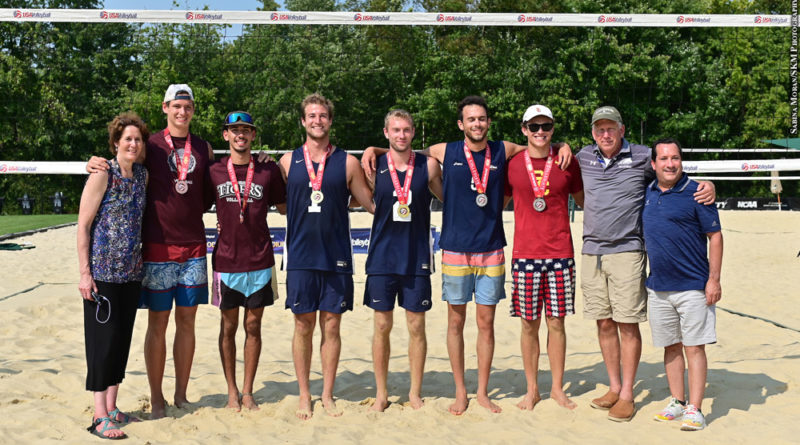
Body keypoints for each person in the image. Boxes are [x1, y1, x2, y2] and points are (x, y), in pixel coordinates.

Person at [362, 95, 572, 415]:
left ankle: (483, 392)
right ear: (462, 124)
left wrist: (565, 145)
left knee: (486, 324)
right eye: (471, 119)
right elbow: (403, 151)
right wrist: (373, 150)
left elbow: (539, 143)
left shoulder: (504, 149)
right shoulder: (444, 151)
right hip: (455, 250)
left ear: (488, 122)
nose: (477, 124)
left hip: (491, 250)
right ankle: (461, 391)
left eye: (482, 119)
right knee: (455, 323)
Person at [576, 106, 714, 422]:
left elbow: (670, 175)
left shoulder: (640, 157)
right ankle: (613, 387)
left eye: (611, 128)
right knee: (604, 322)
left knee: (627, 323)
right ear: (593, 132)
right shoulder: (583, 156)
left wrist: (706, 185)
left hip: (627, 251)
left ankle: (627, 394)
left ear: (622, 130)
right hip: (591, 251)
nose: (605, 134)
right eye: (600, 129)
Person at [87, 84, 215, 418]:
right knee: (158, 323)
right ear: (165, 108)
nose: (182, 112)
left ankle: (181, 395)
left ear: (192, 109)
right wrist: (94, 160)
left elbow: (208, 191)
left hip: (195, 248)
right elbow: (122, 158)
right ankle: (156, 398)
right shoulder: (150, 145)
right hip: (157, 247)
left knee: (188, 322)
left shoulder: (204, 148)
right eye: (176, 106)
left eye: (187, 106)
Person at [278, 93, 375, 420]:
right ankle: (305, 394)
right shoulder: (287, 162)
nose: (317, 120)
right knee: (303, 325)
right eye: (311, 116)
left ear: (330, 121)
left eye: (323, 116)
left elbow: (369, 202)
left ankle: (328, 394)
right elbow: (280, 205)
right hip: (301, 257)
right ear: (303, 121)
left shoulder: (347, 162)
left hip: (336, 256)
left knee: (332, 326)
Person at [503, 105, 583, 411]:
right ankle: (532, 389)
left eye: (545, 126)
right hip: (524, 255)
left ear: (553, 128)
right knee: (528, 325)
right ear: (524, 130)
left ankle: (557, 388)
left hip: (561, 254)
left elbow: (585, 199)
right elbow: (499, 201)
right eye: (533, 127)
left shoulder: (567, 161)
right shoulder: (512, 164)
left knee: (557, 323)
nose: (540, 132)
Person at [364, 109, 443, 412]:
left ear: (413, 133)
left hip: (417, 258)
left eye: (406, 130)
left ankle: (414, 392)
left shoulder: (429, 166)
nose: (401, 135)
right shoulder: (373, 167)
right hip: (382, 259)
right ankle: (382, 393)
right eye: (395, 130)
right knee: (382, 326)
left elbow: (448, 197)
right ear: (386, 133)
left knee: (416, 327)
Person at [642, 138, 722, 431]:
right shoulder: (647, 192)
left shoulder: (697, 193)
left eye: (674, 158)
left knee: (694, 348)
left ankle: (695, 408)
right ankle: (677, 401)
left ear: (681, 161)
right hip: (659, 287)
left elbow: (715, 236)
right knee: (671, 347)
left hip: (693, 286)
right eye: (663, 159)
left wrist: (714, 280)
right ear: (654, 164)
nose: (670, 163)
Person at [78, 112, 149, 439]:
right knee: (102, 345)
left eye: (137, 139)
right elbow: (83, 225)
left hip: (132, 273)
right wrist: (85, 274)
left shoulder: (142, 176)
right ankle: (98, 415)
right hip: (103, 274)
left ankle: (113, 406)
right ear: (116, 143)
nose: (133, 144)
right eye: (127, 139)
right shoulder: (102, 173)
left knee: (121, 342)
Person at [209, 111, 286, 411]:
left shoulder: (267, 172)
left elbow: (284, 206)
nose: (240, 135)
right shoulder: (214, 171)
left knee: (253, 326)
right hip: (226, 261)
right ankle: (231, 391)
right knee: (228, 327)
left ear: (254, 135)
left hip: (260, 260)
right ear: (225, 135)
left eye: (246, 130)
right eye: (234, 130)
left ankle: (248, 390)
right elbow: (192, 202)